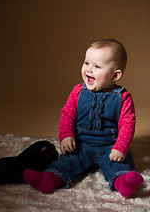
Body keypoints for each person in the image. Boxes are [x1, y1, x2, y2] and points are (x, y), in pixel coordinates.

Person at [23, 39, 144, 197]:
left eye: (97, 66)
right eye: (87, 63)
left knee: (119, 164)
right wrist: (66, 136)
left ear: (115, 75)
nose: (89, 70)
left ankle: (124, 182)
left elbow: (128, 123)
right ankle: (50, 179)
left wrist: (120, 147)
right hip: (81, 143)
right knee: (68, 161)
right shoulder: (77, 92)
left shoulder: (123, 97)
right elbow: (68, 115)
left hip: (110, 145)